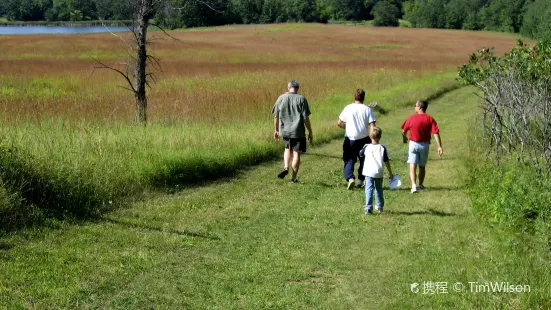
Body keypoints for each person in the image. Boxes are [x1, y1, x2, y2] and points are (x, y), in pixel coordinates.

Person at [272, 80, 313, 183]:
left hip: (285, 130)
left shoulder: (281, 98)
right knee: (296, 153)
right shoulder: (302, 99)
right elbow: (305, 118)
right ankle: (293, 178)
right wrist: (310, 131)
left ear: (288, 87)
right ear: (298, 88)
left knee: (287, 149)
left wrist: (276, 130)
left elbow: (276, 116)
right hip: (298, 131)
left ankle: (286, 167)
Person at [401, 100, 443, 193]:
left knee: (412, 165)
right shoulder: (430, 119)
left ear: (420, 107)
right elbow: (435, 132)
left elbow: (403, 131)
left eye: (415, 105)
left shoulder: (411, 118)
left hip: (413, 144)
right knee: (422, 166)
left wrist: (404, 138)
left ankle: (413, 186)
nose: (414, 107)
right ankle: (420, 184)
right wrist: (439, 146)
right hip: (424, 145)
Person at [337, 89, 376, 190]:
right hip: (363, 139)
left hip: (350, 138)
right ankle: (361, 180)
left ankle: (350, 178)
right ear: (363, 98)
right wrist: (373, 140)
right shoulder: (367, 109)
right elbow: (372, 126)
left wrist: (347, 127)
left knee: (349, 159)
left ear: (354, 97)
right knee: (364, 160)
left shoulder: (348, 108)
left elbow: (339, 122)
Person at [359, 127, 394, 214]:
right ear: (380, 136)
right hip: (378, 172)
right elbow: (386, 161)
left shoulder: (366, 146)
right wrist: (390, 173)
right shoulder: (382, 148)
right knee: (379, 189)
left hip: (368, 172)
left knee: (369, 189)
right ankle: (379, 206)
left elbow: (360, 154)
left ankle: (368, 208)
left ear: (370, 136)